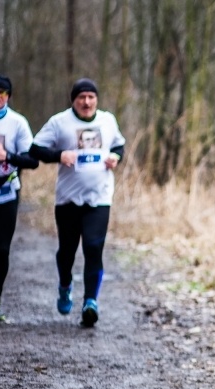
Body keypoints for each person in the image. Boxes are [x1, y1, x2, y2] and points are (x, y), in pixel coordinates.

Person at [30, 78, 125, 327]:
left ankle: (90, 302)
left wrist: (115, 157)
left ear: (96, 99)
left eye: (91, 97)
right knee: (67, 251)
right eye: (81, 97)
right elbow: (35, 149)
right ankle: (65, 285)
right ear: (74, 100)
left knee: (94, 247)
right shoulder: (59, 122)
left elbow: (119, 145)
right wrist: (59, 155)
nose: (86, 102)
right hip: (68, 198)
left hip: (100, 197)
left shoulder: (107, 120)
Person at [0, 74, 39, 322]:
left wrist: (6, 156)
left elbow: (32, 160)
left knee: (0, 250)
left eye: (2, 92)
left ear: (8, 96)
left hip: (6, 193)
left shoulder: (17, 123)